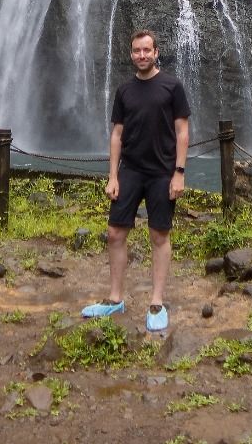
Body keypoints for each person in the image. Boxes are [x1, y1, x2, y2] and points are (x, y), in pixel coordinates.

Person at [81, 29, 190, 332]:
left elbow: (183, 132)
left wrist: (179, 174)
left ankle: (156, 301)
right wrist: (113, 175)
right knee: (115, 233)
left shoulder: (172, 87)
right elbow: (117, 135)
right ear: (131, 54)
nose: (141, 55)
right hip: (129, 171)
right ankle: (115, 297)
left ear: (157, 52)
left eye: (147, 50)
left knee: (159, 236)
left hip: (162, 173)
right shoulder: (124, 91)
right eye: (136, 51)